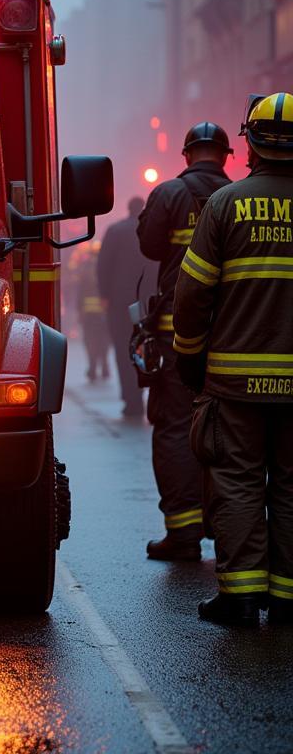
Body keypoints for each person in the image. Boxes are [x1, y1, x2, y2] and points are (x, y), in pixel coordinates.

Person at [174, 93, 293, 627]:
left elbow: (193, 293)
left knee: (239, 482)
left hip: (236, 384)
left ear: (252, 144)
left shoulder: (226, 205)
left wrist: (190, 359)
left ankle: (241, 597)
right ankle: (289, 598)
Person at [137, 122, 232, 560]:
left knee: (175, 428)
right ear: (227, 156)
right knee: (230, 433)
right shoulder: (239, 198)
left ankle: (183, 532)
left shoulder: (170, 194)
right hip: (230, 338)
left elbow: (150, 246)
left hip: (176, 338)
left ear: (187, 154)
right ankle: (223, 525)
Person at [98, 196, 155, 419]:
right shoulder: (153, 231)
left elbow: (103, 265)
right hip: (149, 302)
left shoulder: (114, 231)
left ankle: (130, 399)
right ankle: (143, 396)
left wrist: (105, 295)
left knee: (123, 350)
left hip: (120, 302)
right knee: (146, 347)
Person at [76, 243, 110, 381]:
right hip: (103, 312)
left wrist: (79, 311)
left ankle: (93, 366)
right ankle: (105, 365)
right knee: (104, 340)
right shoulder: (106, 268)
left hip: (88, 313)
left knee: (90, 340)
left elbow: (79, 292)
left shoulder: (84, 269)